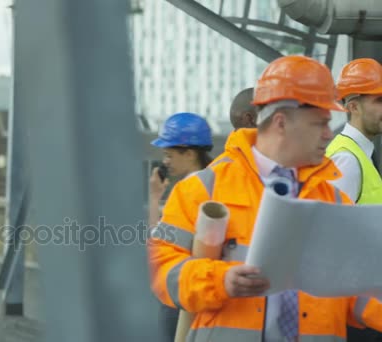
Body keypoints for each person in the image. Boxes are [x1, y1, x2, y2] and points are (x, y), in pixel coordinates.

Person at [148, 55, 382, 341]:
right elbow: (160, 265)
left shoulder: (332, 198)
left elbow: (355, 289)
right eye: (318, 124)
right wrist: (220, 280)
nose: (326, 135)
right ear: (281, 122)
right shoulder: (204, 188)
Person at [326, 58, 382, 341]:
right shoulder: (346, 159)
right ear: (353, 107)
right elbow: (328, 235)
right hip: (356, 303)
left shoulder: (360, 154)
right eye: (379, 100)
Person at [147, 112, 213, 341]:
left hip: (180, 292)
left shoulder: (188, 189)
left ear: (189, 152)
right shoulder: (219, 180)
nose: (165, 161)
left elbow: (159, 240)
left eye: (169, 155)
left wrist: (154, 197)